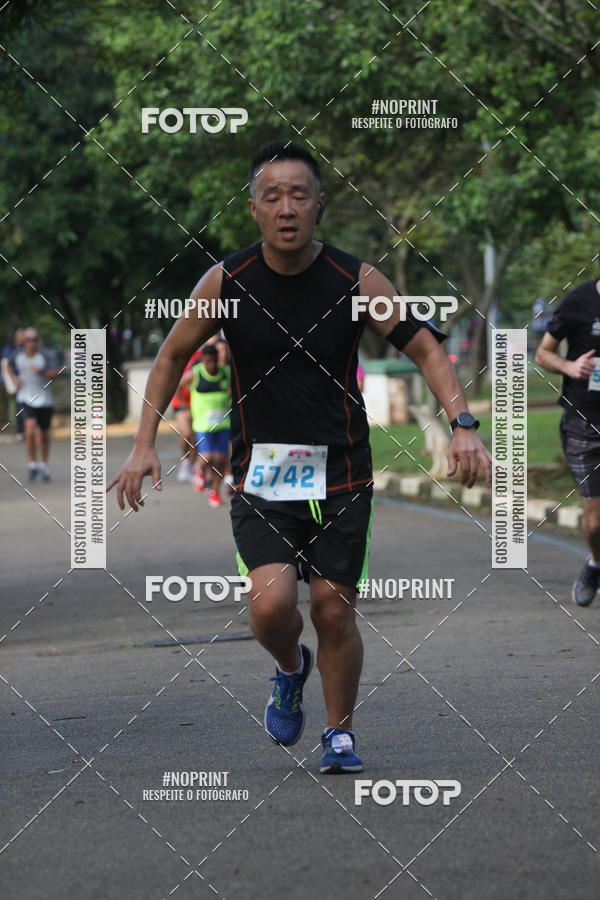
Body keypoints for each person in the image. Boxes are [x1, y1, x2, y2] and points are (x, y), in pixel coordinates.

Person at [108, 141, 491, 773]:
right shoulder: (227, 282)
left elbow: (423, 347)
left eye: (299, 195)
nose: (286, 208)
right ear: (254, 209)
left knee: (334, 608)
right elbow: (172, 355)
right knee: (272, 606)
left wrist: (464, 424)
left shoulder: (356, 279)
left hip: (342, 472)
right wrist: (144, 443)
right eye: (272, 196)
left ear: (320, 205)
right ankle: (290, 668)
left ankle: (339, 733)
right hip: (263, 477)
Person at [535, 276, 600, 606]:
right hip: (584, 424)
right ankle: (595, 563)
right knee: (596, 519)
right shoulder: (579, 302)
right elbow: (543, 354)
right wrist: (570, 366)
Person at [180, 343, 231, 508]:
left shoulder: (226, 373)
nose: (211, 365)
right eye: (208, 361)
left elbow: (233, 389)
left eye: (214, 361)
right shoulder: (195, 374)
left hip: (223, 423)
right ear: (202, 360)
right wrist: (185, 406)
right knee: (208, 457)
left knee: (222, 459)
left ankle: (215, 492)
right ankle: (198, 469)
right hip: (203, 424)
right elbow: (178, 387)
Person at [6, 328, 60, 481]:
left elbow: (56, 374)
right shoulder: (17, 354)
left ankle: (44, 465)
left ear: (38, 340)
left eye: (34, 339)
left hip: (45, 400)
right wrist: (14, 379)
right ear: (24, 341)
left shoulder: (45, 355)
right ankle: (32, 464)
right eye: (28, 340)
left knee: (43, 434)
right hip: (25, 398)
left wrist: (42, 371)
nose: (31, 343)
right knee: (29, 429)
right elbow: (7, 365)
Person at [170, 347, 202, 482]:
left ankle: (193, 465)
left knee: (195, 437)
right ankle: (185, 462)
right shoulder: (180, 352)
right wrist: (184, 404)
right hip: (180, 402)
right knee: (187, 433)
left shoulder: (202, 354)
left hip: (198, 402)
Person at [1, 326, 26, 441]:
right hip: (12, 382)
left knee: (25, 406)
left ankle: (23, 431)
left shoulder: (25, 348)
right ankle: (20, 432)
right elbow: (5, 366)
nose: (23, 335)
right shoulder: (9, 350)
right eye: (21, 333)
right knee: (19, 406)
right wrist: (13, 382)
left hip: (26, 382)